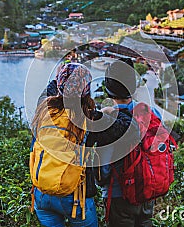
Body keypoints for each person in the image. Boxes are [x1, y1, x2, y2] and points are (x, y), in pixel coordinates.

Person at [30, 62, 137, 227]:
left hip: (42, 194)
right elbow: (128, 129)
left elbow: (52, 90)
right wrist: (115, 111)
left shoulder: (44, 108)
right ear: (86, 91)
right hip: (74, 198)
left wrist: (64, 73)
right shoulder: (89, 119)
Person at [99, 58, 162, 227]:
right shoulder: (151, 112)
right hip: (147, 191)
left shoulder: (106, 121)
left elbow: (103, 171)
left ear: (109, 91)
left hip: (119, 195)